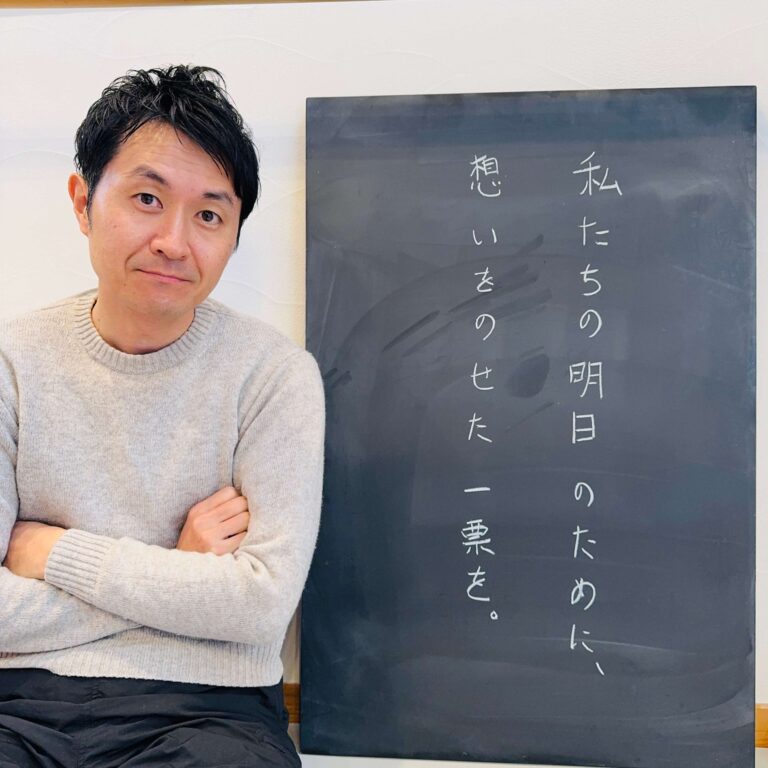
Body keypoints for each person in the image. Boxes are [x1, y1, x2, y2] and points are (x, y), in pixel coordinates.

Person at [0, 65, 324, 767]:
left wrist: (56, 554)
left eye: (209, 215)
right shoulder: (10, 363)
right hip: (19, 702)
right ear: (83, 202)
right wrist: (179, 570)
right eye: (147, 198)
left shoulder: (274, 376)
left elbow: (258, 607)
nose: (175, 242)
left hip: (211, 710)